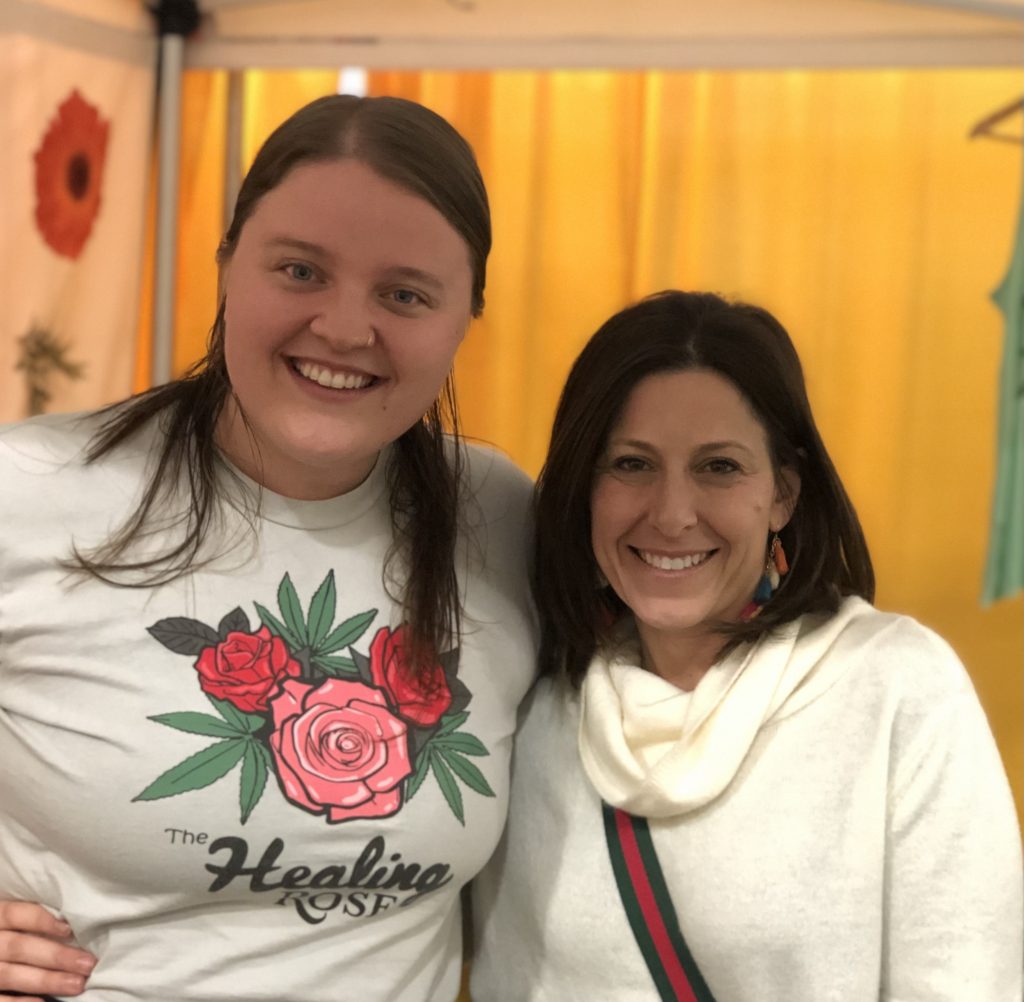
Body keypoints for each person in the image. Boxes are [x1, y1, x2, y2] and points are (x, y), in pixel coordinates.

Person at [0, 94, 537, 1001]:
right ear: (226, 266)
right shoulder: (28, 490)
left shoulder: (504, 519)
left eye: (405, 294)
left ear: (466, 318)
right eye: (300, 270)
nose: (344, 328)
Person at [470, 290, 1023, 1000]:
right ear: (586, 491)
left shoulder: (896, 689)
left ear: (784, 494)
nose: (672, 514)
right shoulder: (532, 702)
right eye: (632, 464)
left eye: (719, 467)